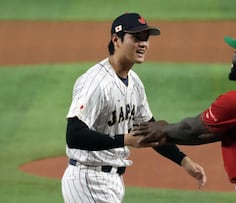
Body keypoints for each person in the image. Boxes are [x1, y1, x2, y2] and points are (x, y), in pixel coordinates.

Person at [134, 30, 236, 203]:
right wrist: (168, 139)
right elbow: (213, 134)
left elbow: (192, 129)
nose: (233, 57)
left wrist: (162, 128)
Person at [61, 12, 206, 203]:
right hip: (88, 178)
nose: (143, 44)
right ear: (116, 40)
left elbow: (150, 129)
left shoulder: (135, 83)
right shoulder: (96, 82)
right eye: (136, 38)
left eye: (146, 39)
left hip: (112, 181)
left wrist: (184, 161)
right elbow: (74, 135)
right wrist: (125, 139)